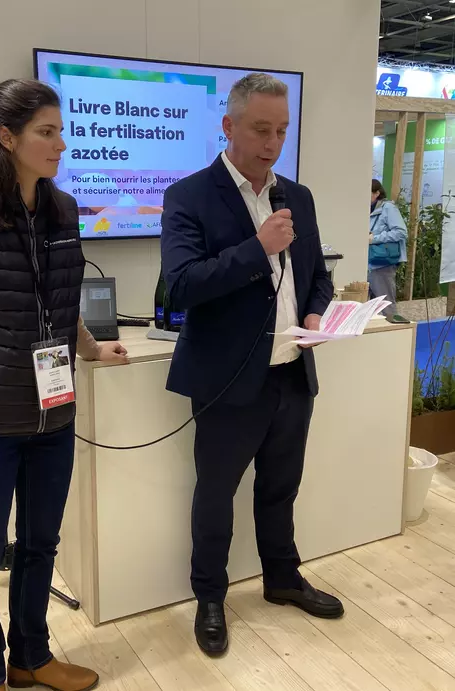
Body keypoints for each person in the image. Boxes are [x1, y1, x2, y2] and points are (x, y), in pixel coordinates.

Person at [0, 78, 128, 691]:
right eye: (46, 131)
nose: (61, 143)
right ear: (5, 137)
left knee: (40, 544)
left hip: (52, 416)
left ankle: (30, 658)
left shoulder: (63, 210)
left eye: (61, 130)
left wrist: (90, 349)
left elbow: (59, 304)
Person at [161, 73, 343, 656]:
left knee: (281, 486)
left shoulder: (299, 196)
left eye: (282, 130)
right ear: (229, 125)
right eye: (261, 128)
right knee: (216, 492)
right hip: (227, 378)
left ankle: (282, 578)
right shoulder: (188, 196)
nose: (272, 141)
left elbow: (318, 277)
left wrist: (317, 316)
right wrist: (255, 248)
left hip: (292, 369)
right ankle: (209, 596)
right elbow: (180, 286)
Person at [369, 179, 407, 317]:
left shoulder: (388, 208)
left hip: (383, 262)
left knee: (386, 304)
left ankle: (392, 332)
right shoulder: (364, 209)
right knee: (371, 308)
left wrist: (375, 238)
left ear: (377, 193)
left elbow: (401, 232)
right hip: (369, 263)